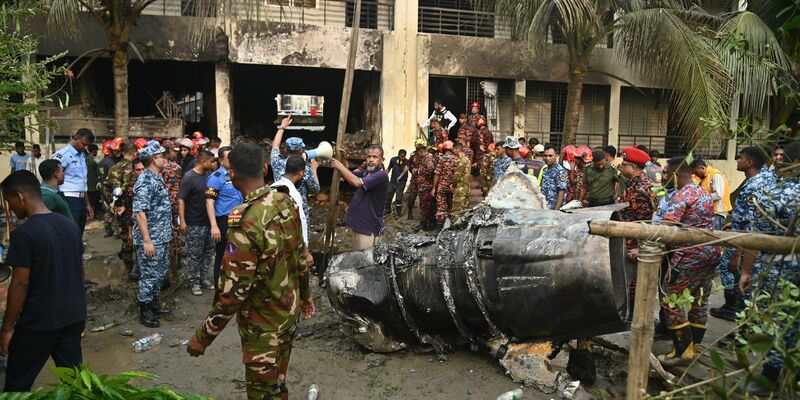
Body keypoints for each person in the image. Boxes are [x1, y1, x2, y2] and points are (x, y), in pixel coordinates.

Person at [187, 143, 314, 400]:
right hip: (287, 318)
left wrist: (203, 337)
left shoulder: (245, 220)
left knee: (263, 394)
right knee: (278, 385)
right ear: (265, 168)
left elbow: (233, 292)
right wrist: (306, 296)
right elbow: (301, 257)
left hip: (262, 329)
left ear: (231, 174)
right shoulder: (286, 202)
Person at [0, 170, 86, 392]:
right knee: (75, 382)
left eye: (9, 201)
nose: (10, 209)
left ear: (20, 197)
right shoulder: (70, 226)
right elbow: (78, 270)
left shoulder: (25, 233)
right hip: (73, 316)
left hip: (39, 321)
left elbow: (20, 283)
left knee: (17, 385)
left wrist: (7, 327)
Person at [745, 142, 799, 395]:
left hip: (777, 265)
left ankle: (771, 376)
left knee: (776, 320)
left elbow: (757, 237)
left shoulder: (778, 193)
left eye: (782, 157)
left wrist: (746, 270)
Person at [655, 161, 720, 366]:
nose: (663, 176)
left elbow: (667, 228)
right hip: (710, 253)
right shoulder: (704, 193)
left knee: (670, 299)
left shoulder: (681, 195)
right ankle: (694, 347)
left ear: (677, 173)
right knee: (698, 299)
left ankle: (682, 351)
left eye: (666, 172)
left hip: (688, 255)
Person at [713, 147, 776, 324]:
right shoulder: (764, 179)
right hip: (750, 240)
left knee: (736, 276)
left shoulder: (754, 184)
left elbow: (752, 224)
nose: (737, 161)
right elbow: (752, 213)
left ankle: (737, 317)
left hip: (747, 244)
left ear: (749, 163)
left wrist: (737, 254)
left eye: (740, 158)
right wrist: (735, 222)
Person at [132, 141, 173, 327]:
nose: (165, 158)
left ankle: (154, 303)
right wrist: (147, 241)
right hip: (152, 238)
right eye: (161, 156)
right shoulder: (145, 181)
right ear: (154, 160)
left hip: (162, 235)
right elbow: (140, 212)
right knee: (149, 275)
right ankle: (145, 310)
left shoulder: (156, 177)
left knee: (159, 273)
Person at [270, 115, 320, 239]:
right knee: (301, 240)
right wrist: (314, 169)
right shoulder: (305, 170)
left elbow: (275, 145)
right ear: (302, 151)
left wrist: (282, 127)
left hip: (279, 208)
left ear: (285, 150)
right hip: (299, 212)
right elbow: (315, 189)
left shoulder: (276, 162)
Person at [330, 145, 389, 250]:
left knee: (365, 262)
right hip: (359, 224)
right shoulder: (367, 172)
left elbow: (356, 182)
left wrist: (339, 166)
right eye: (369, 156)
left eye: (375, 157)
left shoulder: (381, 176)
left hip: (368, 227)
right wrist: (343, 159)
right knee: (357, 258)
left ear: (382, 159)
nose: (371, 160)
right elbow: (348, 175)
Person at [178, 150, 216, 296]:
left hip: (209, 221)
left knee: (208, 251)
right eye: (211, 161)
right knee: (195, 254)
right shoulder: (189, 177)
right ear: (203, 161)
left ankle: (202, 277)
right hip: (194, 222)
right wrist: (182, 221)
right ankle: (194, 282)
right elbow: (181, 199)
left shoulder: (209, 176)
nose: (213, 164)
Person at [206, 146, 244, 288]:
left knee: (236, 254)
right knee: (222, 256)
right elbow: (210, 202)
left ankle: (233, 286)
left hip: (238, 220)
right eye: (230, 158)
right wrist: (214, 226)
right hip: (223, 222)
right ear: (221, 161)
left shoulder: (235, 174)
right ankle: (219, 288)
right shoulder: (216, 178)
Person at [52, 128, 95, 235]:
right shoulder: (62, 155)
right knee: (69, 233)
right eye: (83, 144)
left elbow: (82, 181)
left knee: (79, 233)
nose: (85, 147)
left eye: (87, 145)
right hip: (67, 198)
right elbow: (53, 178)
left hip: (81, 200)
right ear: (76, 139)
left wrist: (87, 203)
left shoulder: (82, 156)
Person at [106, 142, 138, 279]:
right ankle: (136, 269)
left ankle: (129, 267)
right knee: (137, 238)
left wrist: (112, 204)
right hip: (133, 209)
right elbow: (133, 191)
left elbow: (105, 187)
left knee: (126, 238)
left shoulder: (114, 168)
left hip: (119, 210)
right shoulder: (136, 168)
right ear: (134, 153)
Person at [160, 143, 183, 286]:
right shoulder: (176, 168)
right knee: (174, 236)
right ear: (168, 152)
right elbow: (178, 190)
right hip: (173, 207)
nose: (176, 153)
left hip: (160, 207)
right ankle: (174, 266)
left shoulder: (155, 167)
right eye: (174, 151)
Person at [690, 159, 731, 230]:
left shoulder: (716, 175)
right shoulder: (705, 178)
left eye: (696, 173)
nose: (696, 175)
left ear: (702, 168)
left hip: (717, 214)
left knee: (714, 238)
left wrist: (701, 198)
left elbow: (718, 195)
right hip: (709, 214)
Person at [432, 141, 459, 228]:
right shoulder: (457, 159)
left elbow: (437, 173)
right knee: (451, 207)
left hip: (442, 187)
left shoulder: (442, 159)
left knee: (441, 207)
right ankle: (452, 227)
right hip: (452, 187)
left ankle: (440, 227)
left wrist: (433, 188)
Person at [414, 145, 437, 231]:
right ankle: (428, 224)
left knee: (425, 206)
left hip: (426, 187)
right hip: (424, 187)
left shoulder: (429, 159)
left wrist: (424, 180)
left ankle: (424, 225)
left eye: (418, 153)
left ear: (422, 151)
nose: (418, 155)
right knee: (427, 206)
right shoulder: (424, 159)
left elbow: (431, 170)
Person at [540, 144, 568, 210]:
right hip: (545, 207)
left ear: (556, 156)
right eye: (545, 156)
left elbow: (561, 191)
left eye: (550, 156)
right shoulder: (545, 170)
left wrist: (556, 210)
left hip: (554, 209)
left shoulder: (560, 171)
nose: (547, 158)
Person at [405, 139, 427, 220]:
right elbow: (409, 165)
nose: (418, 146)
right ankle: (410, 212)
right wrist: (413, 172)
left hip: (424, 181)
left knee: (424, 198)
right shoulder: (413, 156)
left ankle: (423, 216)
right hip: (414, 180)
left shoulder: (426, 155)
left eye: (420, 145)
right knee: (412, 196)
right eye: (418, 145)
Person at [385, 149, 409, 218]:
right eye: (401, 156)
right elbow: (389, 168)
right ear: (398, 155)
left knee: (398, 197)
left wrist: (400, 176)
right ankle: (387, 209)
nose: (403, 157)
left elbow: (406, 169)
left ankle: (398, 213)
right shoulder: (393, 160)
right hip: (393, 181)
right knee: (389, 194)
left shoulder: (406, 161)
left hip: (401, 182)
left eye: (404, 156)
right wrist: (383, 175)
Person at [451, 142, 472, 214]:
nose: (452, 151)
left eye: (453, 149)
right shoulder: (467, 160)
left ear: (457, 149)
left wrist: (452, 185)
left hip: (460, 188)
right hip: (466, 187)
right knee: (465, 210)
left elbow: (457, 175)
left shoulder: (462, 161)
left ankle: (456, 224)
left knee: (457, 210)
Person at [86, 144, 102, 222]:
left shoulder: (85, 159)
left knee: (89, 201)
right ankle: (93, 216)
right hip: (93, 184)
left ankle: (89, 215)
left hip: (87, 184)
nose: (97, 152)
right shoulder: (94, 160)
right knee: (94, 202)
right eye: (96, 151)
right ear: (93, 150)